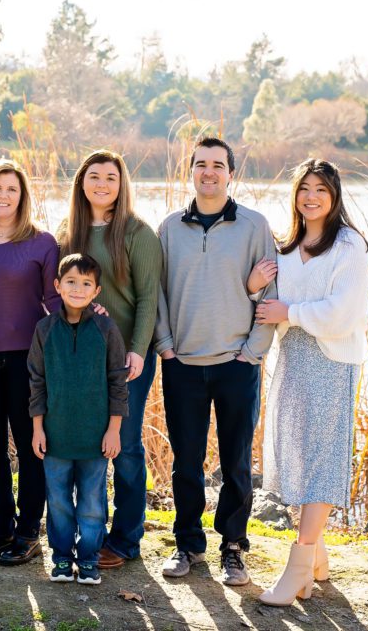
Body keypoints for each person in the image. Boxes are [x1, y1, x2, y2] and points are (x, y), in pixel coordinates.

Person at [155, 136, 277, 586]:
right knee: (185, 460)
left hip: (236, 363)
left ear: (231, 173)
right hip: (182, 362)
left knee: (236, 460)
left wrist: (252, 353)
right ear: (191, 171)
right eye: (201, 164)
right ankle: (187, 543)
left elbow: (270, 295)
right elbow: (158, 293)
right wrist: (165, 344)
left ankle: (233, 547)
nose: (210, 172)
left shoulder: (254, 226)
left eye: (218, 165)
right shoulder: (169, 227)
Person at [253, 159, 368, 606]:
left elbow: (346, 312)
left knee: (319, 457)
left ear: (334, 195)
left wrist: (292, 313)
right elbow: (267, 300)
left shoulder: (348, 245)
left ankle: (299, 566)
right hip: (293, 359)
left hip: (330, 360)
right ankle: (317, 556)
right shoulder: (286, 248)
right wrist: (256, 291)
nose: (312, 196)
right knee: (297, 454)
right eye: (304, 188)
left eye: (321, 188)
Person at [56, 149, 162, 569]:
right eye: (94, 176)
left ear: (122, 185)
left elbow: (150, 297)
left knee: (128, 447)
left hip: (128, 359)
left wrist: (138, 349)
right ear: (82, 182)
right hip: (81, 359)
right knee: (85, 443)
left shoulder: (139, 234)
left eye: (111, 177)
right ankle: (86, 535)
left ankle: (125, 540)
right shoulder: (69, 232)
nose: (102, 184)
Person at [0, 158, 60, 566]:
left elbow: (55, 302)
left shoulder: (42, 243)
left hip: (28, 361)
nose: (4, 195)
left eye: (12, 189)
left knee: (30, 445)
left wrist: (91, 321)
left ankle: (27, 531)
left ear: (22, 196)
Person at [28, 254, 128, 586]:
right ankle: (60, 558)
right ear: (57, 286)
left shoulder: (105, 328)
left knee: (91, 503)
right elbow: (37, 382)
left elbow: (117, 379)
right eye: (70, 281)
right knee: (57, 502)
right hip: (55, 437)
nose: (77, 288)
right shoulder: (44, 330)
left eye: (86, 283)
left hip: (95, 438)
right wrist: (37, 428)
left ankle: (87, 559)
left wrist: (114, 430)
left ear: (96, 290)